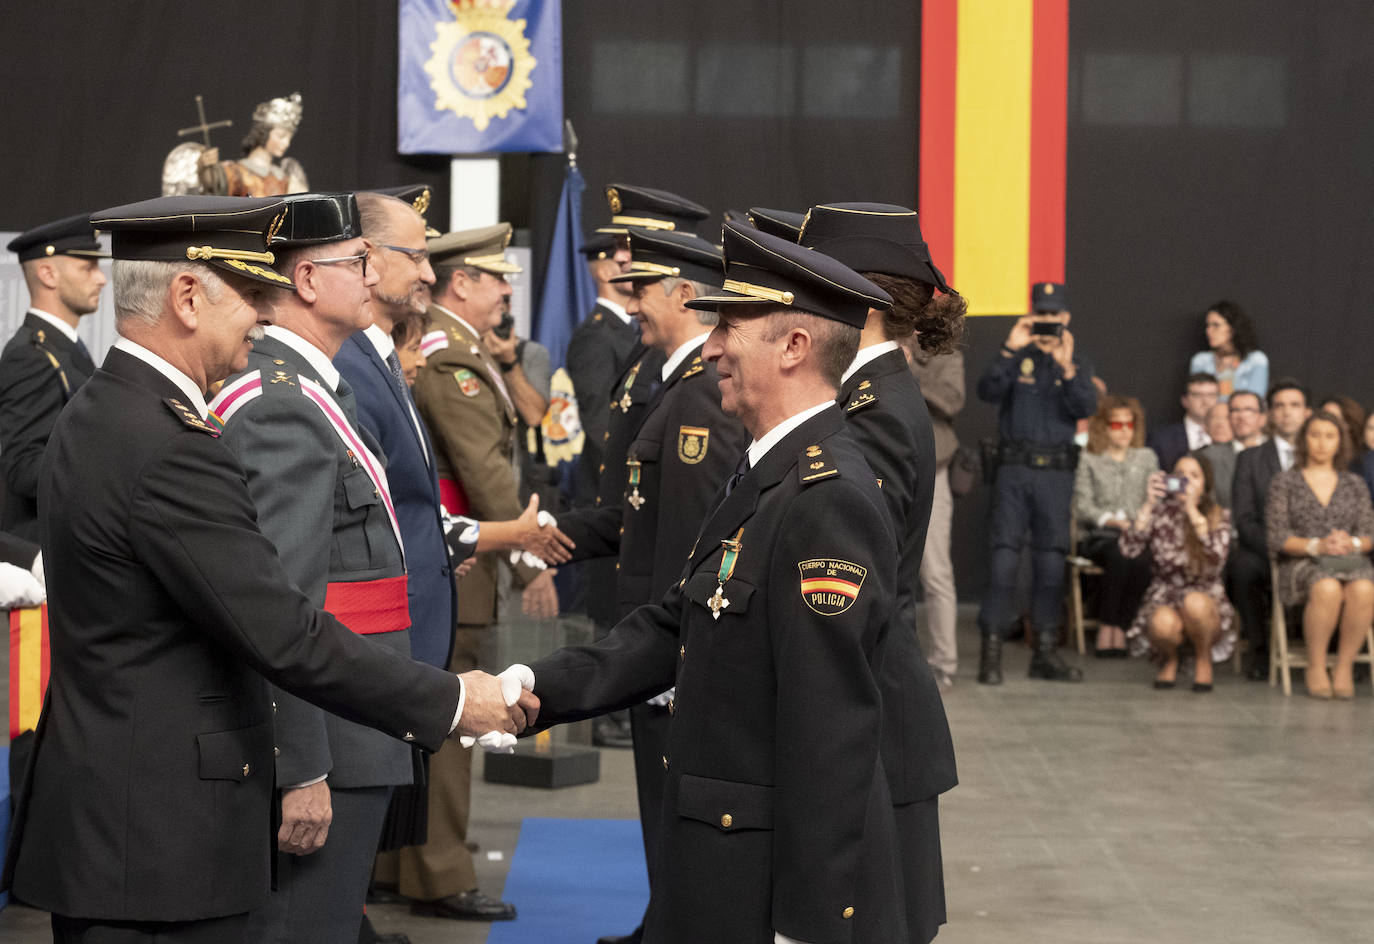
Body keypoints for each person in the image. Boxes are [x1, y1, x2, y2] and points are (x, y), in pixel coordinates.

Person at [0, 195, 531, 944]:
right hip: (159, 840)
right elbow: (284, 630)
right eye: (251, 295)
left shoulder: (103, 409)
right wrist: (449, 701)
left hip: (116, 819)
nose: (264, 313)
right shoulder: (168, 444)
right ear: (187, 296)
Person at [512, 220, 912, 943]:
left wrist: (808, 924)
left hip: (763, 887)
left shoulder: (827, 498)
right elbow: (678, 623)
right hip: (720, 862)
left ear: (794, 347)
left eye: (730, 326)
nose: (715, 347)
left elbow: (831, 732)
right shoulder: (770, 473)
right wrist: (531, 689)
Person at [209, 191, 425, 944]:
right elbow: (281, 603)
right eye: (358, 260)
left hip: (354, 722)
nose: (376, 275)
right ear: (305, 281)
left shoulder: (318, 387)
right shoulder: (280, 403)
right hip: (328, 738)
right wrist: (301, 765)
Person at [553, 227, 747, 944]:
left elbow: (693, 546)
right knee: (658, 806)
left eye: (643, 290)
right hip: (650, 635)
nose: (629, 302)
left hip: (667, 647)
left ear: (685, 295)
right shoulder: (673, 383)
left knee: (672, 803)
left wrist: (673, 658)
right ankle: (662, 922)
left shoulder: (697, 400)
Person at [799, 201, 962, 944]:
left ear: (855, 297)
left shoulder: (880, 411)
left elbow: (861, 583)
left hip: (875, 718)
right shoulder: (868, 398)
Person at [407, 222, 557, 920]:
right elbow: (486, 472)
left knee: (421, 712)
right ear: (460, 282)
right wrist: (531, 561)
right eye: (496, 277)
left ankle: (398, 862)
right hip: (460, 559)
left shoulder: (459, 348)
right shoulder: (448, 358)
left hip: (457, 554)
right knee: (451, 717)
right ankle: (440, 873)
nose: (506, 289)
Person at [572, 184, 706, 748]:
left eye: (639, 268)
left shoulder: (698, 390)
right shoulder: (650, 355)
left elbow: (691, 524)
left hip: (665, 621)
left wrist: (674, 650)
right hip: (646, 604)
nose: (626, 289)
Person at [977, 282, 1097, 684]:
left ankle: (1044, 654)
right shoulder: (1017, 356)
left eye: (1053, 316)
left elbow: (1086, 407)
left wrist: (1067, 369)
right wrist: (1011, 349)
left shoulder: (1075, 361)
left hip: (1056, 476)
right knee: (1004, 562)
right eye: (1040, 316)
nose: (1047, 323)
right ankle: (989, 655)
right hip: (1014, 471)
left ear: (1065, 318)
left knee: (1050, 564)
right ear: (1032, 317)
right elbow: (987, 390)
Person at [0, 214, 106, 541]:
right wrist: (110, 466)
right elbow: (23, 469)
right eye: (87, 267)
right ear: (47, 273)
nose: (101, 279)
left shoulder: (63, 346)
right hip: (46, 547)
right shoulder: (31, 355)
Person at [1265, 411, 1374, 698]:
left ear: (1340, 442)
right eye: (1315, 435)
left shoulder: (1354, 483)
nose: (1322, 443)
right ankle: (1315, 665)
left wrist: (1349, 542)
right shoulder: (1285, 481)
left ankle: (1344, 667)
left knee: (1363, 587)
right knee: (1326, 586)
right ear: (1304, 440)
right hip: (1302, 561)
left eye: (1330, 436)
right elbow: (1277, 537)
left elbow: (1369, 534)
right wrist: (1317, 545)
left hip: (1348, 559)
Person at [1120, 456, 1235, 690]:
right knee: (1162, 623)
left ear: (1205, 483)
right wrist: (1148, 505)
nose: (1186, 481)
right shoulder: (1160, 513)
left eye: (1194, 476)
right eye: (1180, 474)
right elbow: (1129, 550)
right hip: (1165, 595)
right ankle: (1169, 658)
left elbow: (1216, 561)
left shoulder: (1217, 515)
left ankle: (1204, 659)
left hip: (1205, 595)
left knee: (1194, 603)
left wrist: (1193, 512)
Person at [1231, 379, 1311, 678]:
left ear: (1307, 412)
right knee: (1242, 568)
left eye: (1295, 405)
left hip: (1316, 548)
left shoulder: (1323, 455)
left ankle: (1333, 651)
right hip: (1265, 548)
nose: (1287, 412)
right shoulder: (1250, 459)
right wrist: (1278, 547)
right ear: (1269, 414)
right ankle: (1261, 652)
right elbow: (1245, 518)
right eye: (1279, 406)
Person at [1074, 395, 1158, 657]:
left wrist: (1142, 517)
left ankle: (1121, 626)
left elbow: (1153, 498)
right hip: (1100, 534)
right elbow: (1083, 505)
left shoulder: (1146, 457)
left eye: (1129, 425)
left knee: (1143, 561)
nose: (1124, 432)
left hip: (1139, 532)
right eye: (1117, 425)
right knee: (1120, 556)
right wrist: (1113, 521)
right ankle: (1106, 627)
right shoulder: (1089, 459)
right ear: (1103, 427)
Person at [566, 233, 638, 508]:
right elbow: (599, 423)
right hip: (608, 490)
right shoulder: (595, 335)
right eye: (626, 265)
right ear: (607, 272)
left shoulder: (633, 329)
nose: (636, 271)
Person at [908, 342, 964, 689]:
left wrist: (907, 368)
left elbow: (951, 401)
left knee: (936, 572)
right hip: (879, 466)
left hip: (932, 471)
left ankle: (943, 663)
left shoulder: (945, 354)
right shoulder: (871, 343)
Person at [198, 91, 308, 196]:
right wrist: (206, 170)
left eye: (289, 138)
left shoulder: (283, 179)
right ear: (263, 133)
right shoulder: (235, 172)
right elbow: (214, 186)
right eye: (281, 136)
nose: (286, 143)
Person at [1194, 389, 1266, 509]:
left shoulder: (1280, 453)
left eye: (1248, 409)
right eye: (1235, 410)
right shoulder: (1208, 457)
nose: (1241, 416)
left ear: (1263, 418)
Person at [1189, 300, 1268, 401]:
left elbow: (1255, 401)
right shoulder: (1201, 361)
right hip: (1210, 416)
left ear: (1233, 327)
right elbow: (1196, 401)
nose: (1208, 331)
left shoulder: (1256, 360)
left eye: (1216, 325)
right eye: (1207, 326)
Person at [1147, 372, 1219, 474]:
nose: (1205, 401)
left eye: (1211, 395)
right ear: (1185, 400)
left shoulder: (1229, 435)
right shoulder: (1161, 439)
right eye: (1197, 395)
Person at [1316, 395, 1366, 460]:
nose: (1326, 422)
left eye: (1333, 418)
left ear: (1348, 424)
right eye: (1323, 416)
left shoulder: (1362, 461)